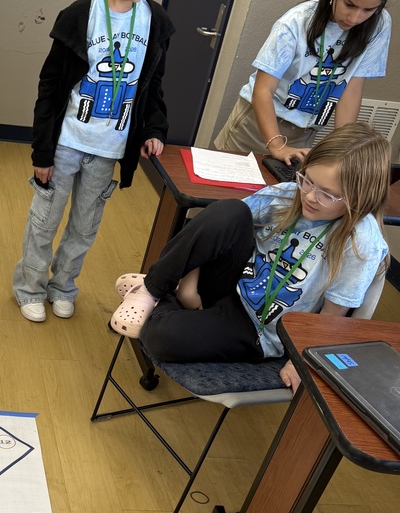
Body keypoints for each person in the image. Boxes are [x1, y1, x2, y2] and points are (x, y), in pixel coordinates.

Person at [110, 123, 390, 393]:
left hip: (258, 330)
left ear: (360, 198)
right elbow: (217, 229)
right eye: (307, 181)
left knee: (161, 339)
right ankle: (151, 290)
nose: (311, 197)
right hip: (231, 284)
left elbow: (334, 316)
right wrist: (190, 285)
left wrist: (300, 360)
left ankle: (158, 290)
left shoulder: (361, 242)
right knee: (230, 210)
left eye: (328, 194)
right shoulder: (287, 195)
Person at [13, 0, 175, 322]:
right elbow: (49, 88)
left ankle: (64, 285)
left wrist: (154, 128)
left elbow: (152, 86)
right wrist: (42, 152)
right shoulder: (78, 16)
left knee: (84, 227)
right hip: (66, 143)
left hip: (109, 149)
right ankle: (29, 287)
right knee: (45, 222)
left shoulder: (155, 24)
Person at [215, 0, 398, 166]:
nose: (355, 18)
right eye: (349, 4)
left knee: (283, 199)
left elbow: (350, 89)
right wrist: (277, 145)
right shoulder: (296, 22)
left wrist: (343, 152)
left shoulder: (379, 25)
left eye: (368, 10)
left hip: (306, 130)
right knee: (223, 194)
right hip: (258, 123)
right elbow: (263, 89)